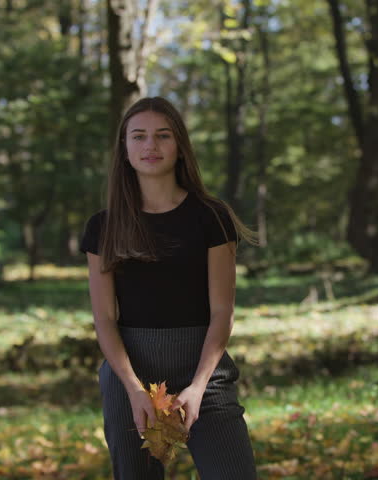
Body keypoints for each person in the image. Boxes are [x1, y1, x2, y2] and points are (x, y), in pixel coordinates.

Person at [79, 96, 258, 479]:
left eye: (163, 135)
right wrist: (133, 388)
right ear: (124, 150)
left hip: (203, 373)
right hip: (131, 376)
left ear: (179, 147)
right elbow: (105, 318)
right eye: (138, 136)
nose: (150, 146)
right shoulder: (103, 227)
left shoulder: (211, 217)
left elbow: (222, 313)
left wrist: (198, 385)